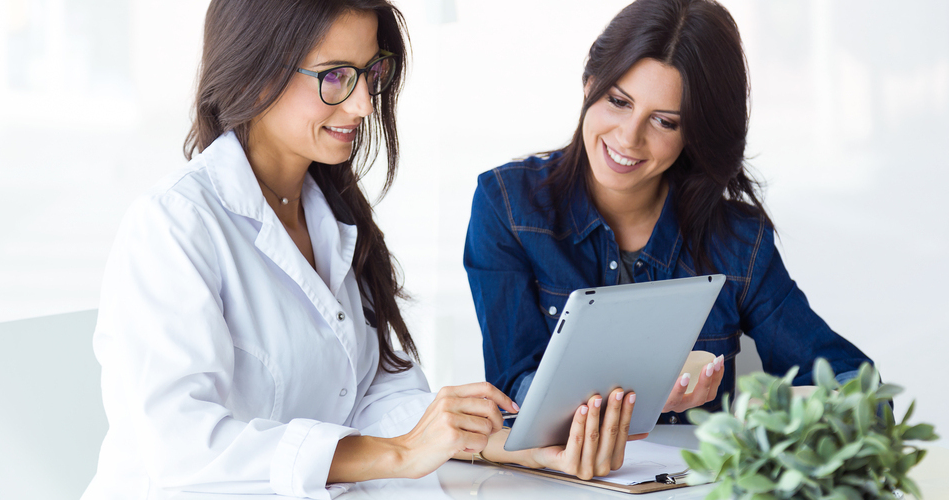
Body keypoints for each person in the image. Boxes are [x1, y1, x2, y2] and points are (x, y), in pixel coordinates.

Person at [82, 1, 647, 498]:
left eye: (370, 73)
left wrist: (497, 444)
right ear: (255, 74)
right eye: (334, 77)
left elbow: (374, 391)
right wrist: (400, 454)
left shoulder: (330, 212)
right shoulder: (175, 226)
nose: (362, 106)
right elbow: (182, 447)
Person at [464, 0, 874, 425]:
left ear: (694, 133)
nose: (628, 137)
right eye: (619, 101)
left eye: (664, 122)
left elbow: (860, 390)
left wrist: (767, 410)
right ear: (589, 86)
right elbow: (510, 391)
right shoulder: (510, 205)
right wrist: (638, 397)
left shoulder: (736, 241)